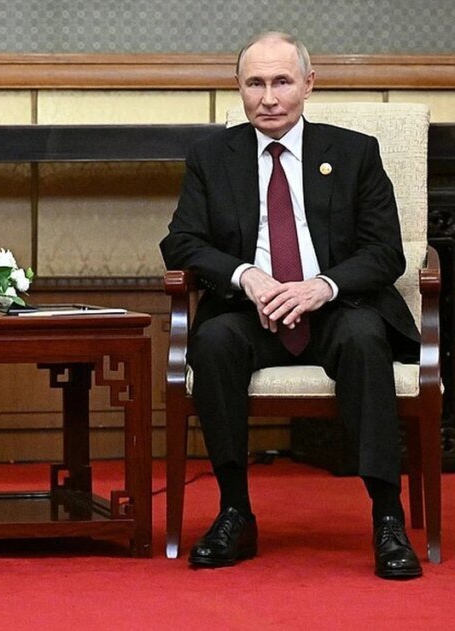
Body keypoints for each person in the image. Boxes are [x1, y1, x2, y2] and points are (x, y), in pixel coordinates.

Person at [160, 31, 423, 580]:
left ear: (308, 84)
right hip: (249, 313)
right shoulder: (212, 157)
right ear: (238, 88)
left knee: (365, 339)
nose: (268, 98)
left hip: (335, 310)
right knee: (212, 341)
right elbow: (181, 241)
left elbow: (385, 252)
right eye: (254, 83)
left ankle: (387, 517)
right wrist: (246, 276)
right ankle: (235, 513)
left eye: (281, 82)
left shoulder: (353, 153)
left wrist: (320, 286)